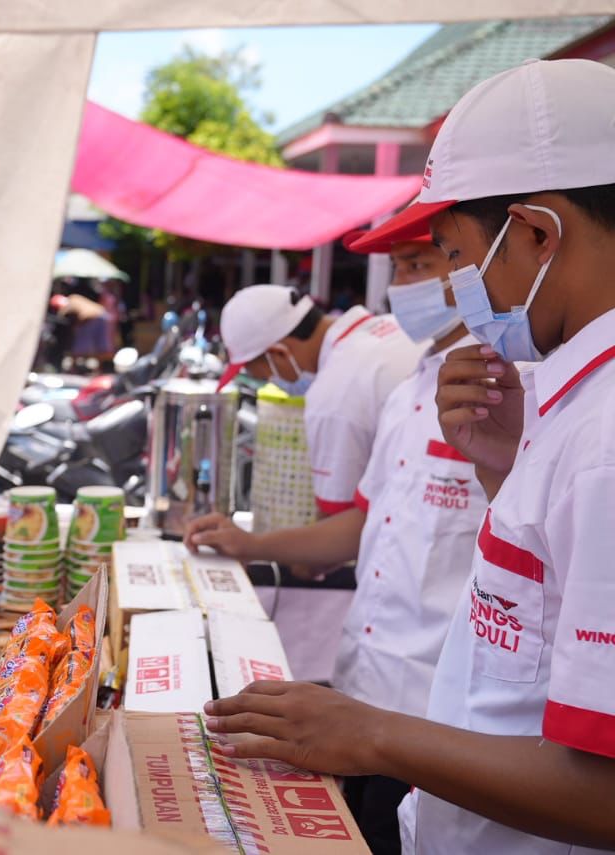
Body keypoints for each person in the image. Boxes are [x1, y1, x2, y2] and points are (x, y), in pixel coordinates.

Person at [203, 59, 615, 853]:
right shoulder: (573, 402)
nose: (457, 287)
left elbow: (603, 788)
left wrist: (374, 734)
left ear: (538, 234)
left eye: (456, 255)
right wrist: (503, 470)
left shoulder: (604, 437)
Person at [186, 229, 483, 855]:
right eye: (397, 268)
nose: (401, 286)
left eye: (420, 264)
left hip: (435, 716)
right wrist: (250, 544)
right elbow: (361, 525)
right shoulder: (411, 389)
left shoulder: (507, 391)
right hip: (365, 688)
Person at [215, 284, 424, 517]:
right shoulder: (392, 326)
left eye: (266, 377)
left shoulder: (333, 394)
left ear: (279, 353)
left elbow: (338, 519)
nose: (273, 384)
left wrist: (244, 538)